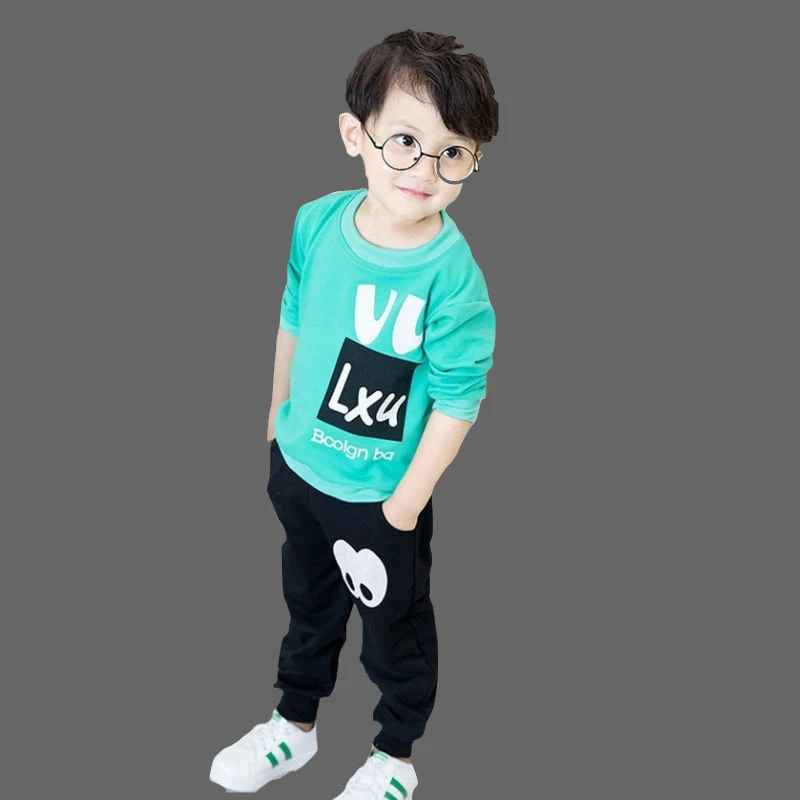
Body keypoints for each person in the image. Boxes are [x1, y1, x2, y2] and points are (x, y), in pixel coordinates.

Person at [210, 29, 499, 798]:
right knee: (307, 604)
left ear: (473, 160)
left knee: (393, 627)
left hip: (381, 497)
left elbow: (459, 396)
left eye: (453, 152)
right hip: (302, 469)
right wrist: (275, 417)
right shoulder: (316, 223)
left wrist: (404, 504)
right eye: (404, 141)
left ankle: (395, 756)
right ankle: (294, 725)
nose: (425, 170)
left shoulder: (454, 279)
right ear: (354, 135)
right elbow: (294, 317)